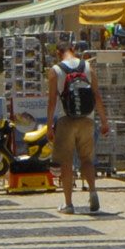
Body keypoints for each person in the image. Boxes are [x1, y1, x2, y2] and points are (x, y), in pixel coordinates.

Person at [45, 39, 107, 215]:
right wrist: (104, 121)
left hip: (66, 120)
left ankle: (69, 204)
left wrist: (49, 127)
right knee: (87, 159)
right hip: (87, 119)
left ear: (58, 53)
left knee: (66, 162)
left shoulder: (55, 70)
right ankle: (93, 191)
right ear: (73, 49)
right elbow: (97, 96)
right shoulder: (87, 66)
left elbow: (52, 102)